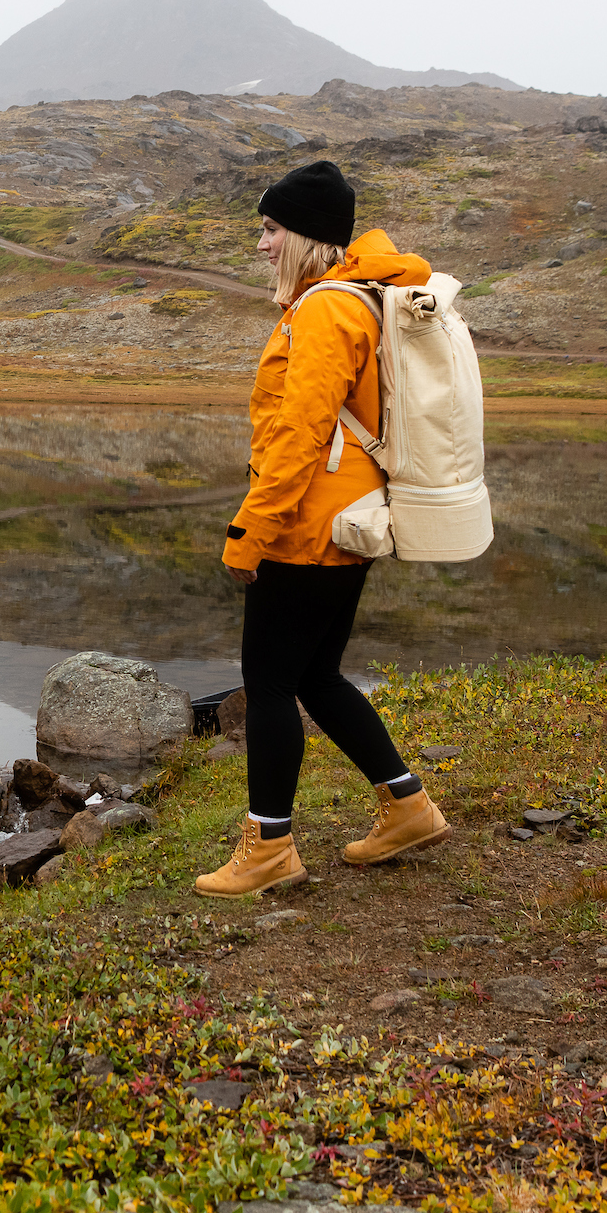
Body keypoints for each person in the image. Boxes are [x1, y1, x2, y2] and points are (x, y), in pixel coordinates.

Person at [196, 160, 448, 898]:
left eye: (272, 230)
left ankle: (268, 849)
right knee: (315, 674)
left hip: (307, 527)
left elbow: (298, 436)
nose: (263, 244)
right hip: (346, 521)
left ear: (305, 235)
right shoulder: (357, 300)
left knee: (268, 683)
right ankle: (408, 806)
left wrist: (251, 533)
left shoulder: (325, 310)